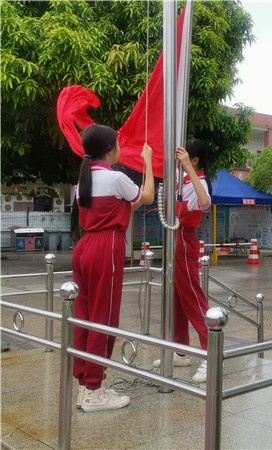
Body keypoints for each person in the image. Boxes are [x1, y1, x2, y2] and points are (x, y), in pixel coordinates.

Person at [73, 124, 154, 412]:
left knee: (84, 317)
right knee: (103, 318)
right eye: (118, 143)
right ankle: (94, 390)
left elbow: (120, 207)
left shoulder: (84, 181)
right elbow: (147, 197)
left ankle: (85, 384)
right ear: (109, 150)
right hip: (105, 247)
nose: (120, 147)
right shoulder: (116, 178)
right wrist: (148, 161)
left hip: (85, 246)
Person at [152, 139, 212, 383]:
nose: (178, 163)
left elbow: (205, 203)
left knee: (192, 296)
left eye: (184, 159)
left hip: (185, 241)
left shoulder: (199, 182)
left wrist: (187, 167)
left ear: (194, 160)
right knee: (176, 298)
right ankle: (180, 349)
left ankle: (211, 350)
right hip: (173, 239)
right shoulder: (182, 180)